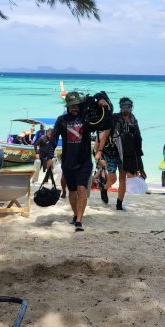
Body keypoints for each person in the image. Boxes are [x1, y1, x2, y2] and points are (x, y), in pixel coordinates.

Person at [49, 91, 104, 231]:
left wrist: (102, 102)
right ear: (67, 106)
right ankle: (76, 214)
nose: (74, 108)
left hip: (84, 161)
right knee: (72, 191)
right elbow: (53, 140)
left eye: (77, 105)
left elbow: (103, 120)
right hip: (68, 162)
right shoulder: (62, 120)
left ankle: (79, 220)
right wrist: (49, 157)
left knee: (82, 188)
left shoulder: (86, 119)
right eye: (72, 106)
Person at [94, 97, 144, 211]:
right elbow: (105, 135)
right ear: (120, 107)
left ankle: (119, 204)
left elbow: (138, 139)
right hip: (110, 153)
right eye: (123, 106)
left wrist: (139, 164)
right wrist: (99, 151)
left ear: (131, 107)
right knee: (113, 179)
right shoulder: (114, 119)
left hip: (125, 154)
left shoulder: (134, 121)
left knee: (123, 179)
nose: (125, 108)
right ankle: (104, 189)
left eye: (128, 106)